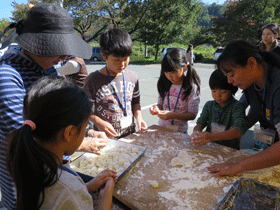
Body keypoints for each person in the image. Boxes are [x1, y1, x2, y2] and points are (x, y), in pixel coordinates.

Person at [0, 3, 96, 209]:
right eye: (58, 50)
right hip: (24, 185)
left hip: (54, 176)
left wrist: (85, 128)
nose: (63, 58)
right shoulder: (7, 76)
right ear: (35, 44)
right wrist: (81, 143)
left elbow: (62, 113)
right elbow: (24, 137)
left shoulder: (48, 69)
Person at [4, 76, 117, 209]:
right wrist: (105, 198)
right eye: (85, 126)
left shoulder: (26, 161)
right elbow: (65, 195)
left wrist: (86, 187)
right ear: (69, 133)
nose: (86, 130)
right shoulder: (69, 189)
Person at [207, 40, 280, 176]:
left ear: (252, 63)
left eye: (232, 75)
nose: (229, 82)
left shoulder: (277, 84)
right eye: (227, 77)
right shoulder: (251, 83)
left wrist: (238, 166)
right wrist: (237, 129)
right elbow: (258, 110)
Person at [83, 28, 147, 138]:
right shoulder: (92, 80)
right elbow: (85, 110)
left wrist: (139, 118)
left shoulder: (132, 77)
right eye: (116, 60)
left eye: (126, 59)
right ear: (104, 56)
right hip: (105, 138)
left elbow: (136, 102)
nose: (122, 64)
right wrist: (99, 122)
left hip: (130, 136)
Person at [191, 69, 247, 150]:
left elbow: (239, 130)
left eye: (223, 92)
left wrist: (211, 137)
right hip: (209, 147)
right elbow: (200, 123)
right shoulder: (209, 105)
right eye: (214, 91)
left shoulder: (237, 107)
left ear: (232, 90)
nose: (218, 95)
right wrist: (196, 133)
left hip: (229, 149)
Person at [149, 48, 200, 133]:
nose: (169, 76)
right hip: (162, 128)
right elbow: (160, 104)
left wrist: (173, 115)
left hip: (180, 132)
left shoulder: (190, 87)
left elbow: (192, 114)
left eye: (173, 72)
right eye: (166, 73)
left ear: (184, 67)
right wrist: (156, 108)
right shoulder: (164, 83)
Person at [251, 22, 280, 150]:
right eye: (263, 34)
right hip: (258, 86)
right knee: (257, 112)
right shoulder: (257, 50)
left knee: (272, 116)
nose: (265, 37)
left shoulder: (279, 51)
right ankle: (260, 141)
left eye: (268, 34)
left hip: (273, 87)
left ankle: (272, 145)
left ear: (276, 35)